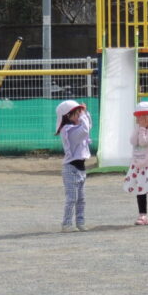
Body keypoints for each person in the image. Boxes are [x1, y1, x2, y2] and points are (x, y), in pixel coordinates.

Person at [56, 99, 92, 232]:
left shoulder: (76, 128)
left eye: (79, 113)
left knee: (81, 199)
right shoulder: (68, 131)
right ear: (68, 116)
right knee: (72, 198)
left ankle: (80, 222)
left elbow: (88, 126)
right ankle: (66, 224)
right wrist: (83, 115)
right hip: (71, 169)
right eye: (77, 113)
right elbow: (85, 129)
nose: (79, 116)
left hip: (81, 168)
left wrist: (85, 113)